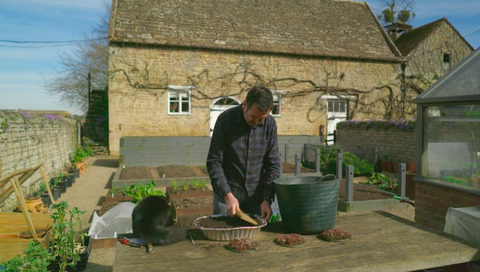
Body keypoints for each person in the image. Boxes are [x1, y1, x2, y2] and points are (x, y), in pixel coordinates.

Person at [206, 86, 281, 221]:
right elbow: (214, 161)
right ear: (245, 104)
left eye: (261, 119)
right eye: (254, 117)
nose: (257, 122)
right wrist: (227, 195)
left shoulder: (270, 124)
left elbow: (273, 165)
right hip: (227, 197)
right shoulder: (225, 120)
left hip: (256, 200)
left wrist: (267, 199)